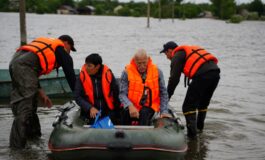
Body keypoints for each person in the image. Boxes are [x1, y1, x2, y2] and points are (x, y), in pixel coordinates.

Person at [9, 35, 77, 148]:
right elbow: (70, 76)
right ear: (65, 43)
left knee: (30, 103)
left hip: (14, 63)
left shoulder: (48, 45)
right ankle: (17, 148)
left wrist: (41, 92)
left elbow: (31, 70)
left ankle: (33, 137)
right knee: (25, 108)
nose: (69, 52)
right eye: (70, 48)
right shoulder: (60, 49)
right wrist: (79, 96)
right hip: (24, 67)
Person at [160, 41, 220, 138]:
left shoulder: (177, 55)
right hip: (215, 73)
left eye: (166, 54)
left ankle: (192, 138)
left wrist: (166, 98)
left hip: (203, 75)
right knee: (203, 104)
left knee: (188, 107)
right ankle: (200, 131)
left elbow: (174, 80)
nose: (167, 57)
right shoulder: (186, 51)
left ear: (170, 51)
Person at [119, 49, 170, 126]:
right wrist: (130, 106)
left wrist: (164, 111)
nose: (142, 66)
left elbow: (163, 93)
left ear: (148, 60)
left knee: (144, 113)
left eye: (144, 63)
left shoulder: (157, 71)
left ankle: (143, 135)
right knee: (125, 114)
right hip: (132, 104)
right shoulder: (126, 72)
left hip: (150, 105)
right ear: (134, 61)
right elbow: (122, 94)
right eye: (139, 63)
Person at [74, 53, 121, 125]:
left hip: (107, 110)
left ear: (97, 66)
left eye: (89, 66)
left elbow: (116, 93)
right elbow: (77, 97)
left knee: (115, 120)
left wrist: (117, 112)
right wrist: (90, 108)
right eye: (86, 65)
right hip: (90, 111)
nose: (86, 68)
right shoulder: (82, 77)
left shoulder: (108, 75)